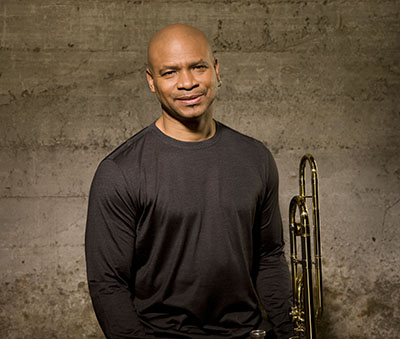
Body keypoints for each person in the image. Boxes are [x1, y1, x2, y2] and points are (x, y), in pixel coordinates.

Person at [85, 24, 294, 339]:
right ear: (151, 82)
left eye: (198, 67)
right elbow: (107, 283)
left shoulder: (256, 158)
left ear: (216, 70)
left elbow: (269, 255)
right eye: (170, 73)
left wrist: (289, 331)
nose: (188, 83)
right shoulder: (119, 171)